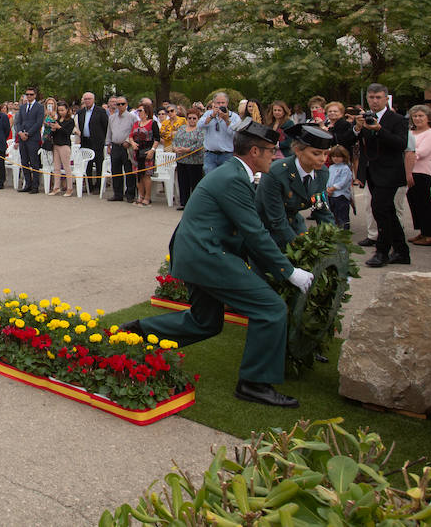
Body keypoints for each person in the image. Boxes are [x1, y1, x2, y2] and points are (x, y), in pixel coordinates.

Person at [122, 122, 315, 408]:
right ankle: (254, 383)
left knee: (205, 322)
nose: (275, 157)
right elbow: (254, 232)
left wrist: (280, 265)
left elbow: (250, 233)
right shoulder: (233, 178)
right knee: (271, 308)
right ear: (253, 151)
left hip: (200, 254)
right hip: (207, 256)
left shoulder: (235, 173)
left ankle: (138, 332)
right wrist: (289, 272)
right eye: (271, 151)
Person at [354, 83, 412, 269]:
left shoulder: (397, 120)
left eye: (378, 97)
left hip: (390, 172)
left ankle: (382, 251)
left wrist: (379, 130)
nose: (375, 101)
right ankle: (401, 251)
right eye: (371, 97)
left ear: (386, 98)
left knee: (380, 209)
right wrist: (357, 127)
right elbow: (349, 139)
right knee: (387, 211)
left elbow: (401, 144)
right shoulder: (364, 118)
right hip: (372, 171)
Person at [256, 125, 336, 249]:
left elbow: (321, 208)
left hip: (292, 222)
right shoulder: (276, 173)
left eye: (326, 154)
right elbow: (277, 220)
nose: (322, 159)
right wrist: (300, 247)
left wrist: (332, 240)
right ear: (298, 150)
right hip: (265, 227)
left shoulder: (321, 172)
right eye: (316, 153)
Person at [405, 105, 431, 247]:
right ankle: (423, 231)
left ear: (428, 118)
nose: (417, 119)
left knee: (424, 202)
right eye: (415, 116)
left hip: (422, 172)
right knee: (414, 201)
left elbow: (419, 153)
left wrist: (407, 156)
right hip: (409, 170)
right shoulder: (411, 132)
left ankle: (430, 234)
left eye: (421, 116)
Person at [199, 92, 243, 173]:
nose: (220, 105)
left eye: (223, 103)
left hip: (227, 155)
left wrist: (227, 120)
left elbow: (236, 135)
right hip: (210, 155)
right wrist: (212, 116)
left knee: (226, 180)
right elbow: (199, 126)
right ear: (214, 103)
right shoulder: (208, 114)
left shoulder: (234, 117)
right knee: (210, 180)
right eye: (218, 103)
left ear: (227, 103)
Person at [172, 107, 206, 210]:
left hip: (195, 161)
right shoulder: (182, 128)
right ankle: (184, 202)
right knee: (182, 182)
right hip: (181, 160)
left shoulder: (200, 130)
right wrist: (175, 148)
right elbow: (175, 140)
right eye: (189, 118)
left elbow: (200, 144)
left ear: (198, 119)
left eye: (194, 118)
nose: (191, 120)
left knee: (194, 183)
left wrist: (187, 149)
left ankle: (195, 204)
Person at [130, 98, 160, 207]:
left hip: (147, 151)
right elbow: (131, 136)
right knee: (138, 175)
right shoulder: (136, 124)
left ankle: (147, 197)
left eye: (140, 110)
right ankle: (140, 196)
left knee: (146, 175)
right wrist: (132, 143)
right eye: (138, 111)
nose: (139, 113)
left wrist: (152, 150)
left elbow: (157, 138)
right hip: (137, 151)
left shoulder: (153, 123)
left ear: (146, 112)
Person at [105, 95, 135, 201]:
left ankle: (130, 194)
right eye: (118, 104)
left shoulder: (132, 117)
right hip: (115, 146)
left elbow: (134, 130)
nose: (120, 106)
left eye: (122, 104)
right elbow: (109, 131)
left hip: (126, 146)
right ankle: (117, 194)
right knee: (115, 170)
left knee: (128, 170)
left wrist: (128, 140)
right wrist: (108, 144)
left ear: (126, 105)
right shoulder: (112, 118)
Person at [75, 91, 109, 186]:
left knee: (98, 164)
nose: (87, 101)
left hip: (97, 141)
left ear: (93, 100)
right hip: (85, 141)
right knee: (87, 165)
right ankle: (89, 185)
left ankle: (99, 185)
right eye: (85, 99)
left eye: (89, 99)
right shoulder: (81, 112)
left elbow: (106, 126)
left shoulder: (100, 111)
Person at [14, 86, 44, 194]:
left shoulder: (39, 107)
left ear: (35, 95)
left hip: (33, 138)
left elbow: (38, 122)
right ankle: (27, 183)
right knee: (24, 161)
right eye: (27, 94)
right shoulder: (22, 107)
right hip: (22, 138)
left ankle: (35, 185)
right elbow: (18, 122)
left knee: (34, 162)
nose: (29, 96)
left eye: (31, 94)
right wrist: (20, 132)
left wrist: (28, 133)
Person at [47, 99, 75, 196]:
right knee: (56, 167)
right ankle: (56, 187)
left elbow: (67, 133)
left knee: (67, 167)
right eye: (59, 110)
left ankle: (70, 188)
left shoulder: (70, 121)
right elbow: (52, 133)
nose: (61, 112)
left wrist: (59, 128)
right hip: (56, 144)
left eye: (62, 110)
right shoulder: (57, 120)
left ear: (67, 110)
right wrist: (53, 129)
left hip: (64, 145)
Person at [326, 145, 354, 229]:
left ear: (343, 157)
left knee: (342, 215)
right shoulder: (331, 167)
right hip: (331, 195)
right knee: (333, 214)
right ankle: (335, 231)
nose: (336, 158)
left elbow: (343, 182)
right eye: (333, 156)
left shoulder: (345, 168)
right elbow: (328, 179)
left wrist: (333, 188)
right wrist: (327, 188)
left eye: (338, 156)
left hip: (341, 196)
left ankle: (344, 231)